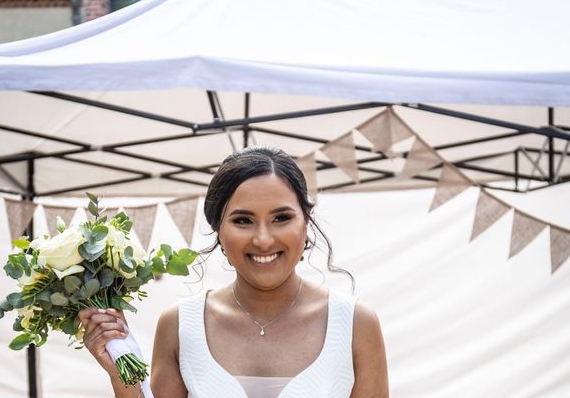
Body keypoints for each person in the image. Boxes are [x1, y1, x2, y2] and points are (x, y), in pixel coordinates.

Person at [79, 146, 389, 397]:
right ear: (218, 232)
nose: (264, 239)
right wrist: (122, 374)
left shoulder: (354, 325)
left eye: (281, 218)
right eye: (243, 220)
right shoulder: (181, 324)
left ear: (305, 223)